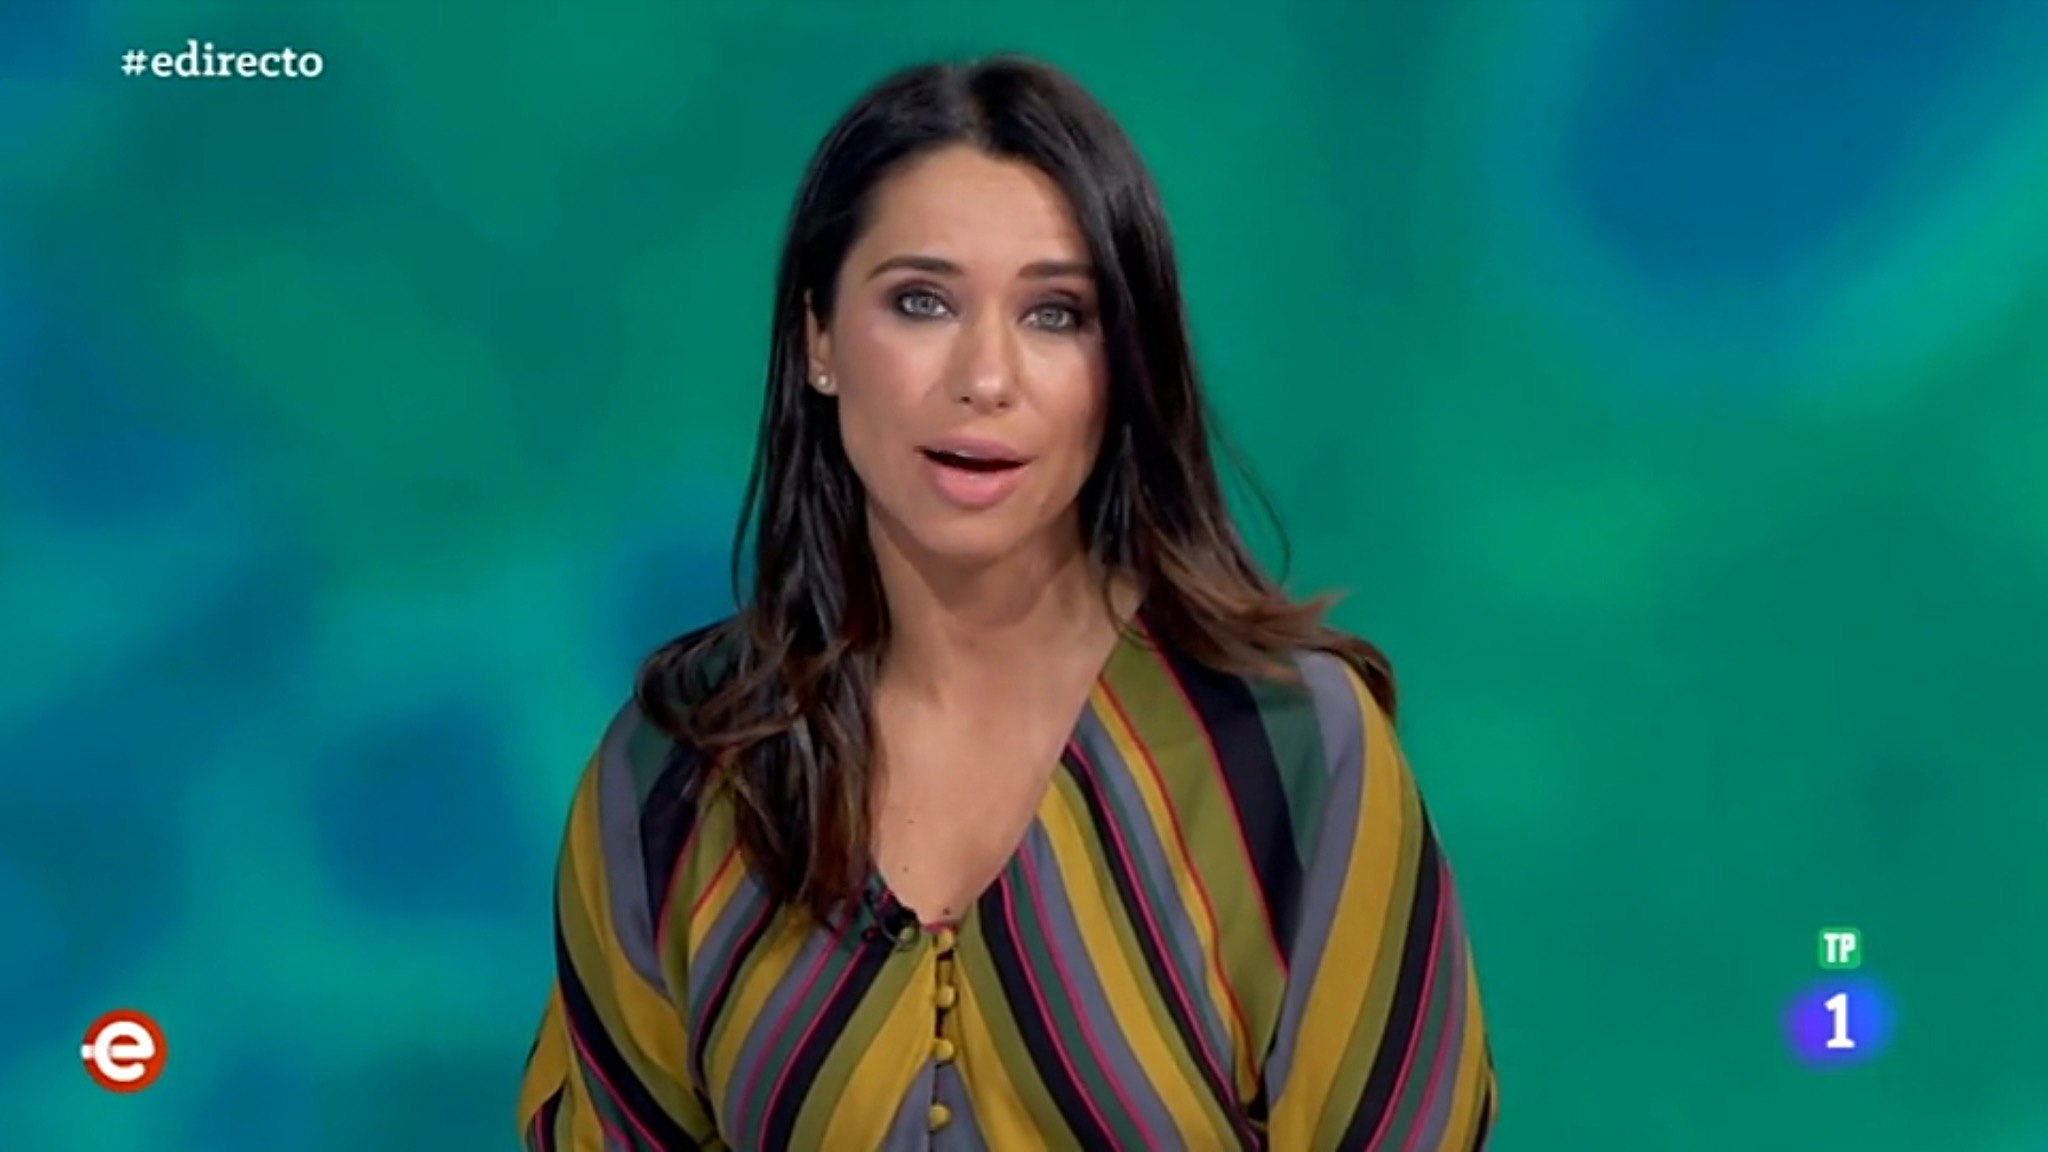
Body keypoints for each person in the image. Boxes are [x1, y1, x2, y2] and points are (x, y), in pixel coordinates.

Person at [516, 54, 1496, 1151]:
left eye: (1056, 314)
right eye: (921, 302)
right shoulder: (681, 769)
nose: (986, 377)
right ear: (819, 340)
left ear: (1123, 365)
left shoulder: (1289, 756)